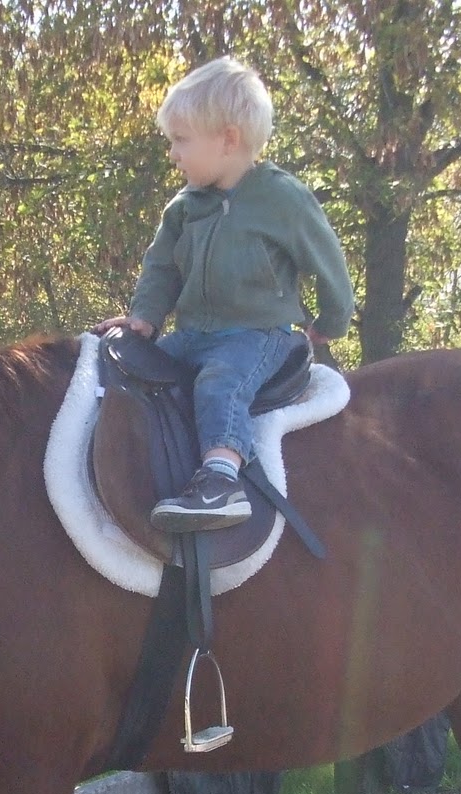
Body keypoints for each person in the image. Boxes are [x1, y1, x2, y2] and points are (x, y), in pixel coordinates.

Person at [94, 55, 356, 532]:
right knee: (129, 367)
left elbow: (327, 260)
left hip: (257, 335)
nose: (173, 153)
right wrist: (145, 319)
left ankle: (221, 481)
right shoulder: (185, 208)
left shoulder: (282, 199)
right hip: (193, 333)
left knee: (221, 383)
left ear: (228, 139)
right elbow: (161, 268)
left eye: (181, 140)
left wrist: (332, 320)